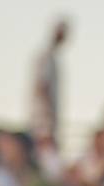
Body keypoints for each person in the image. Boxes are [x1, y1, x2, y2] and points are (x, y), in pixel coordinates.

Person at [30, 19, 68, 148]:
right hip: (43, 119)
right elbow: (41, 86)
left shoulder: (51, 58)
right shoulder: (46, 58)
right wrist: (46, 118)